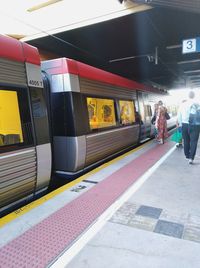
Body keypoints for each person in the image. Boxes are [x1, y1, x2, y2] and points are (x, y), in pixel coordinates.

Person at [177, 91, 200, 164]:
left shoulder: (182, 105)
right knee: (194, 141)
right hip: (195, 125)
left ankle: (187, 155)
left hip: (184, 124)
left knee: (186, 141)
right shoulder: (197, 104)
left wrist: (180, 125)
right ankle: (191, 158)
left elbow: (179, 116)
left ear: (188, 96)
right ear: (194, 96)